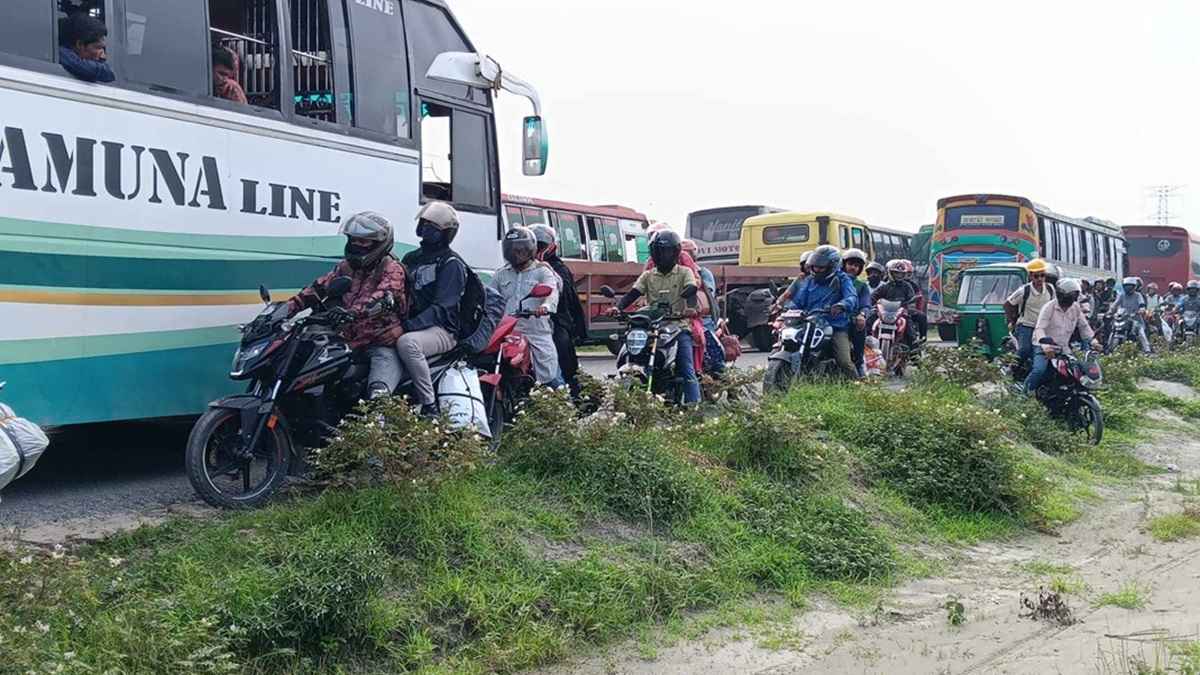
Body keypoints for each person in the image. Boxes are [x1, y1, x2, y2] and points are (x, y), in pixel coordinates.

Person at [287, 212, 407, 400]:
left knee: (378, 398)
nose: (356, 245)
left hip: (379, 344)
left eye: (364, 241)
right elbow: (318, 288)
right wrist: (287, 308)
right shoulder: (345, 267)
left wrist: (351, 313)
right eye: (354, 240)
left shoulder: (391, 268)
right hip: (346, 343)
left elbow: (384, 296)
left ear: (379, 244)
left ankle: (381, 425)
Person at [611, 231, 703, 403]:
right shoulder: (648, 275)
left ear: (675, 252)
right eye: (658, 251)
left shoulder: (684, 273)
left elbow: (691, 290)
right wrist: (618, 308)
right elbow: (633, 293)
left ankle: (694, 408)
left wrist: (690, 308)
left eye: (665, 251)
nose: (661, 255)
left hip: (678, 327)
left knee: (686, 368)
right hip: (652, 327)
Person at [399, 202, 468, 416]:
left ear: (446, 233)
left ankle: (429, 405)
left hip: (442, 329)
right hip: (413, 324)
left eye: (432, 227)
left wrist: (408, 326)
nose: (425, 229)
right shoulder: (412, 258)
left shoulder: (451, 263)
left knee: (407, 343)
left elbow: (443, 306)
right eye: (424, 224)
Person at [491, 227, 564, 388]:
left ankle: (565, 408)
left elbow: (551, 292)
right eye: (512, 249)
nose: (516, 253)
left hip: (536, 333)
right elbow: (490, 299)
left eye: (521, 249)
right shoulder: (500, 274)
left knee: (550, 378)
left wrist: (545, 307)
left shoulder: (542, 271)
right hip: (506, 334)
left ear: (530, 249)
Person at [786, 245, 859, 379]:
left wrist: (841, 305)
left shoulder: (843, 279)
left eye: (821, 267)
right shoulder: (809, 281)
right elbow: (798, 301)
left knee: (844, 361)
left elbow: (852, 297)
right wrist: (789, 309)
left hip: (835, 325)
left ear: (832, 266)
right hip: (810, 323)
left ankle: (859, 386)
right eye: (815, 267)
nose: (817, 270)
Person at [530, 224, 585, 395]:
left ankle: (567, 395)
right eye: (534, 244)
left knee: (560, 348)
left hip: (554, 320)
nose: (537, 249)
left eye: (541, 245)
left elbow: (562, 294)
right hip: (525, 321)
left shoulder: (557, 268)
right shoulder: (518, 268)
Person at [1024, 279, 1101, 395]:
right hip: (1043, 346)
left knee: (1074, 371)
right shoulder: (1049, 307)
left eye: (1074, 296)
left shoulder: (1075, 308)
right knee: (1039, 370)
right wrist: (1045, 346)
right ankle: (1025, 394)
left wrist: (1093, 341)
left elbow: (1084, 327)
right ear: (1061, 294)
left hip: (1063, 348)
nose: (1072, 298)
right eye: (1070, 295)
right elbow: (1040, 328)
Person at [682, 238, 727, 375]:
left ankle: (725, 380)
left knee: (712, 350)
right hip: (678, 318)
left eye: (687, 253)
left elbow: (705, 297)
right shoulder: (675, 273)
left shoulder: (702, 273)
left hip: (702, 318)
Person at [1004, 258, 1055, 368]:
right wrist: (1011, 321)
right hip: (1026, 326)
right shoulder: (1024, 290)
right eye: (1036, 276)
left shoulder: (1050, 289)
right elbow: (1007, 304)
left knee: (1044, 352)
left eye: (1042, 275)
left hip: (1043, 328)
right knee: (1024, 350)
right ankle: (1010, 370)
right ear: (1031, 276)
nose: (1040, 279)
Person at [871, 259, 927, 344]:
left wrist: (912, 300)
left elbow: (911, 297)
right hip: (884, 311)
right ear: (890, 273)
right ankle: (866, 340)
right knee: (870, 317)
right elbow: (874, 296)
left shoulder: (907, 286)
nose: (899, 276)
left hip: (902, 311)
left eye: (901, 274)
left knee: (914, 321)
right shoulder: (885, 286)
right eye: (896, 273)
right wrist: (871, 302)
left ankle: (915, 344)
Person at [58, 13, 115, 83]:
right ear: (79, 44)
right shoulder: (60, 54)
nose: (103, 56)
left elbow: (109, 73)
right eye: (98, 47)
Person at [842, 248, 872, 374]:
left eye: (856, 265)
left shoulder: (862, 285)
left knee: (860, 327)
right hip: (831, 318)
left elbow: (866, 304)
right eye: (850, 264)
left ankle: (859, 363)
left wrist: (862, 315)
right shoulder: (835, 280)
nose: (853, 267)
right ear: (844, 265)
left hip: (851, 319)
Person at [1107, 277, 1152, 354]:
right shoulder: (1122, 295)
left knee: (1141, 332)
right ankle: (1108, 347)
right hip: (1123, 318)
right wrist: (1110, 312)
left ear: (1134, 287)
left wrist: (1141, 310)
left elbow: (1142, 305)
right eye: (1126, 286)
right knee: (1113, 328)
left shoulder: (1138, 295)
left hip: (1136, 319)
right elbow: (1114, 305)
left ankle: (1147, 350)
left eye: (1130, 286)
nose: (1127, 288)